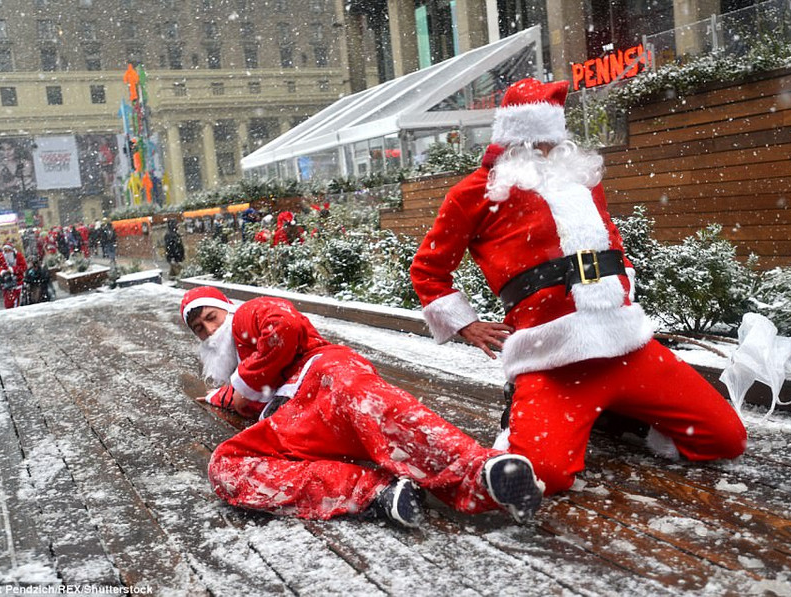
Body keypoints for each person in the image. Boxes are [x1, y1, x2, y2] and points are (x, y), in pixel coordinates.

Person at [409, 78, 747, 496]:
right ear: (517, 141)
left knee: (725, 439)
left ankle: (617, 414)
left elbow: (612, 242)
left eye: (554, 141)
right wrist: (464, 324)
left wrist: (621, 291)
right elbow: (427, 268)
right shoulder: (474, 193)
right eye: (540, 144)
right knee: (542, 476)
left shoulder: (582, 179)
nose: (550, 152)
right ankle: (541, 414)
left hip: (627, 347)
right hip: (552, 360)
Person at [181, 286, 545, 527]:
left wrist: (243, 383)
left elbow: (283, 324)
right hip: (295, 422)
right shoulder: (236, 365)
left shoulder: (248, 316)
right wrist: (218, 395)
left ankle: (483, 475)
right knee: (225, 467)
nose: (209, 331)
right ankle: (375, 493)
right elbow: (234, 396)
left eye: (211, 317)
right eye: (199, 329)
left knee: (382, 410)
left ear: (227, 309)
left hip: (324, 377)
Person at [0, 242, 27, 309]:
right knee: (8, 302)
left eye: (8, 250)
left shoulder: (18, 255)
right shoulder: (1, 256)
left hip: (18, 281)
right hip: (6, 282)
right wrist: (2, 271)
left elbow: (24, 267)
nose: (7, 252)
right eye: (5, 250)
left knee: (17, 301)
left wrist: (12, 270)